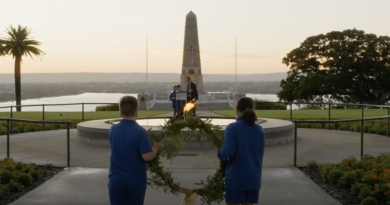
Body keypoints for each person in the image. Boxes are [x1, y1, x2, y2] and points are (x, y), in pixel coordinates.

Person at [108, 96, 163, 205]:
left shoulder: (113, 129)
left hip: (115, 178)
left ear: (120, 113)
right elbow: (147, 156)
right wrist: (156, 148)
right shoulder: (140, 132)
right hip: (135, 179)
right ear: (136, 112)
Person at [217, 97, 265, 205]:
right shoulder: (259, 129)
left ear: (237, 109)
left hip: (236, 178)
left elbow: (228, 152)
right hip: (254, 177)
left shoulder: (232, 128)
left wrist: (219, 152)